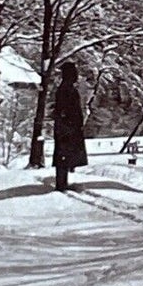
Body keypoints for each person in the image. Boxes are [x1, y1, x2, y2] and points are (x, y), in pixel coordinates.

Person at [52, 60, 88, 192]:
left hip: (67, 127)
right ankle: (61, 184)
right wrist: (71, 125)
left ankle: (62, 182)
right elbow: (67, 110)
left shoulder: (66, 88)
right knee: (64, 156)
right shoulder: (66, 90)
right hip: (67, 128)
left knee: (64, 156)